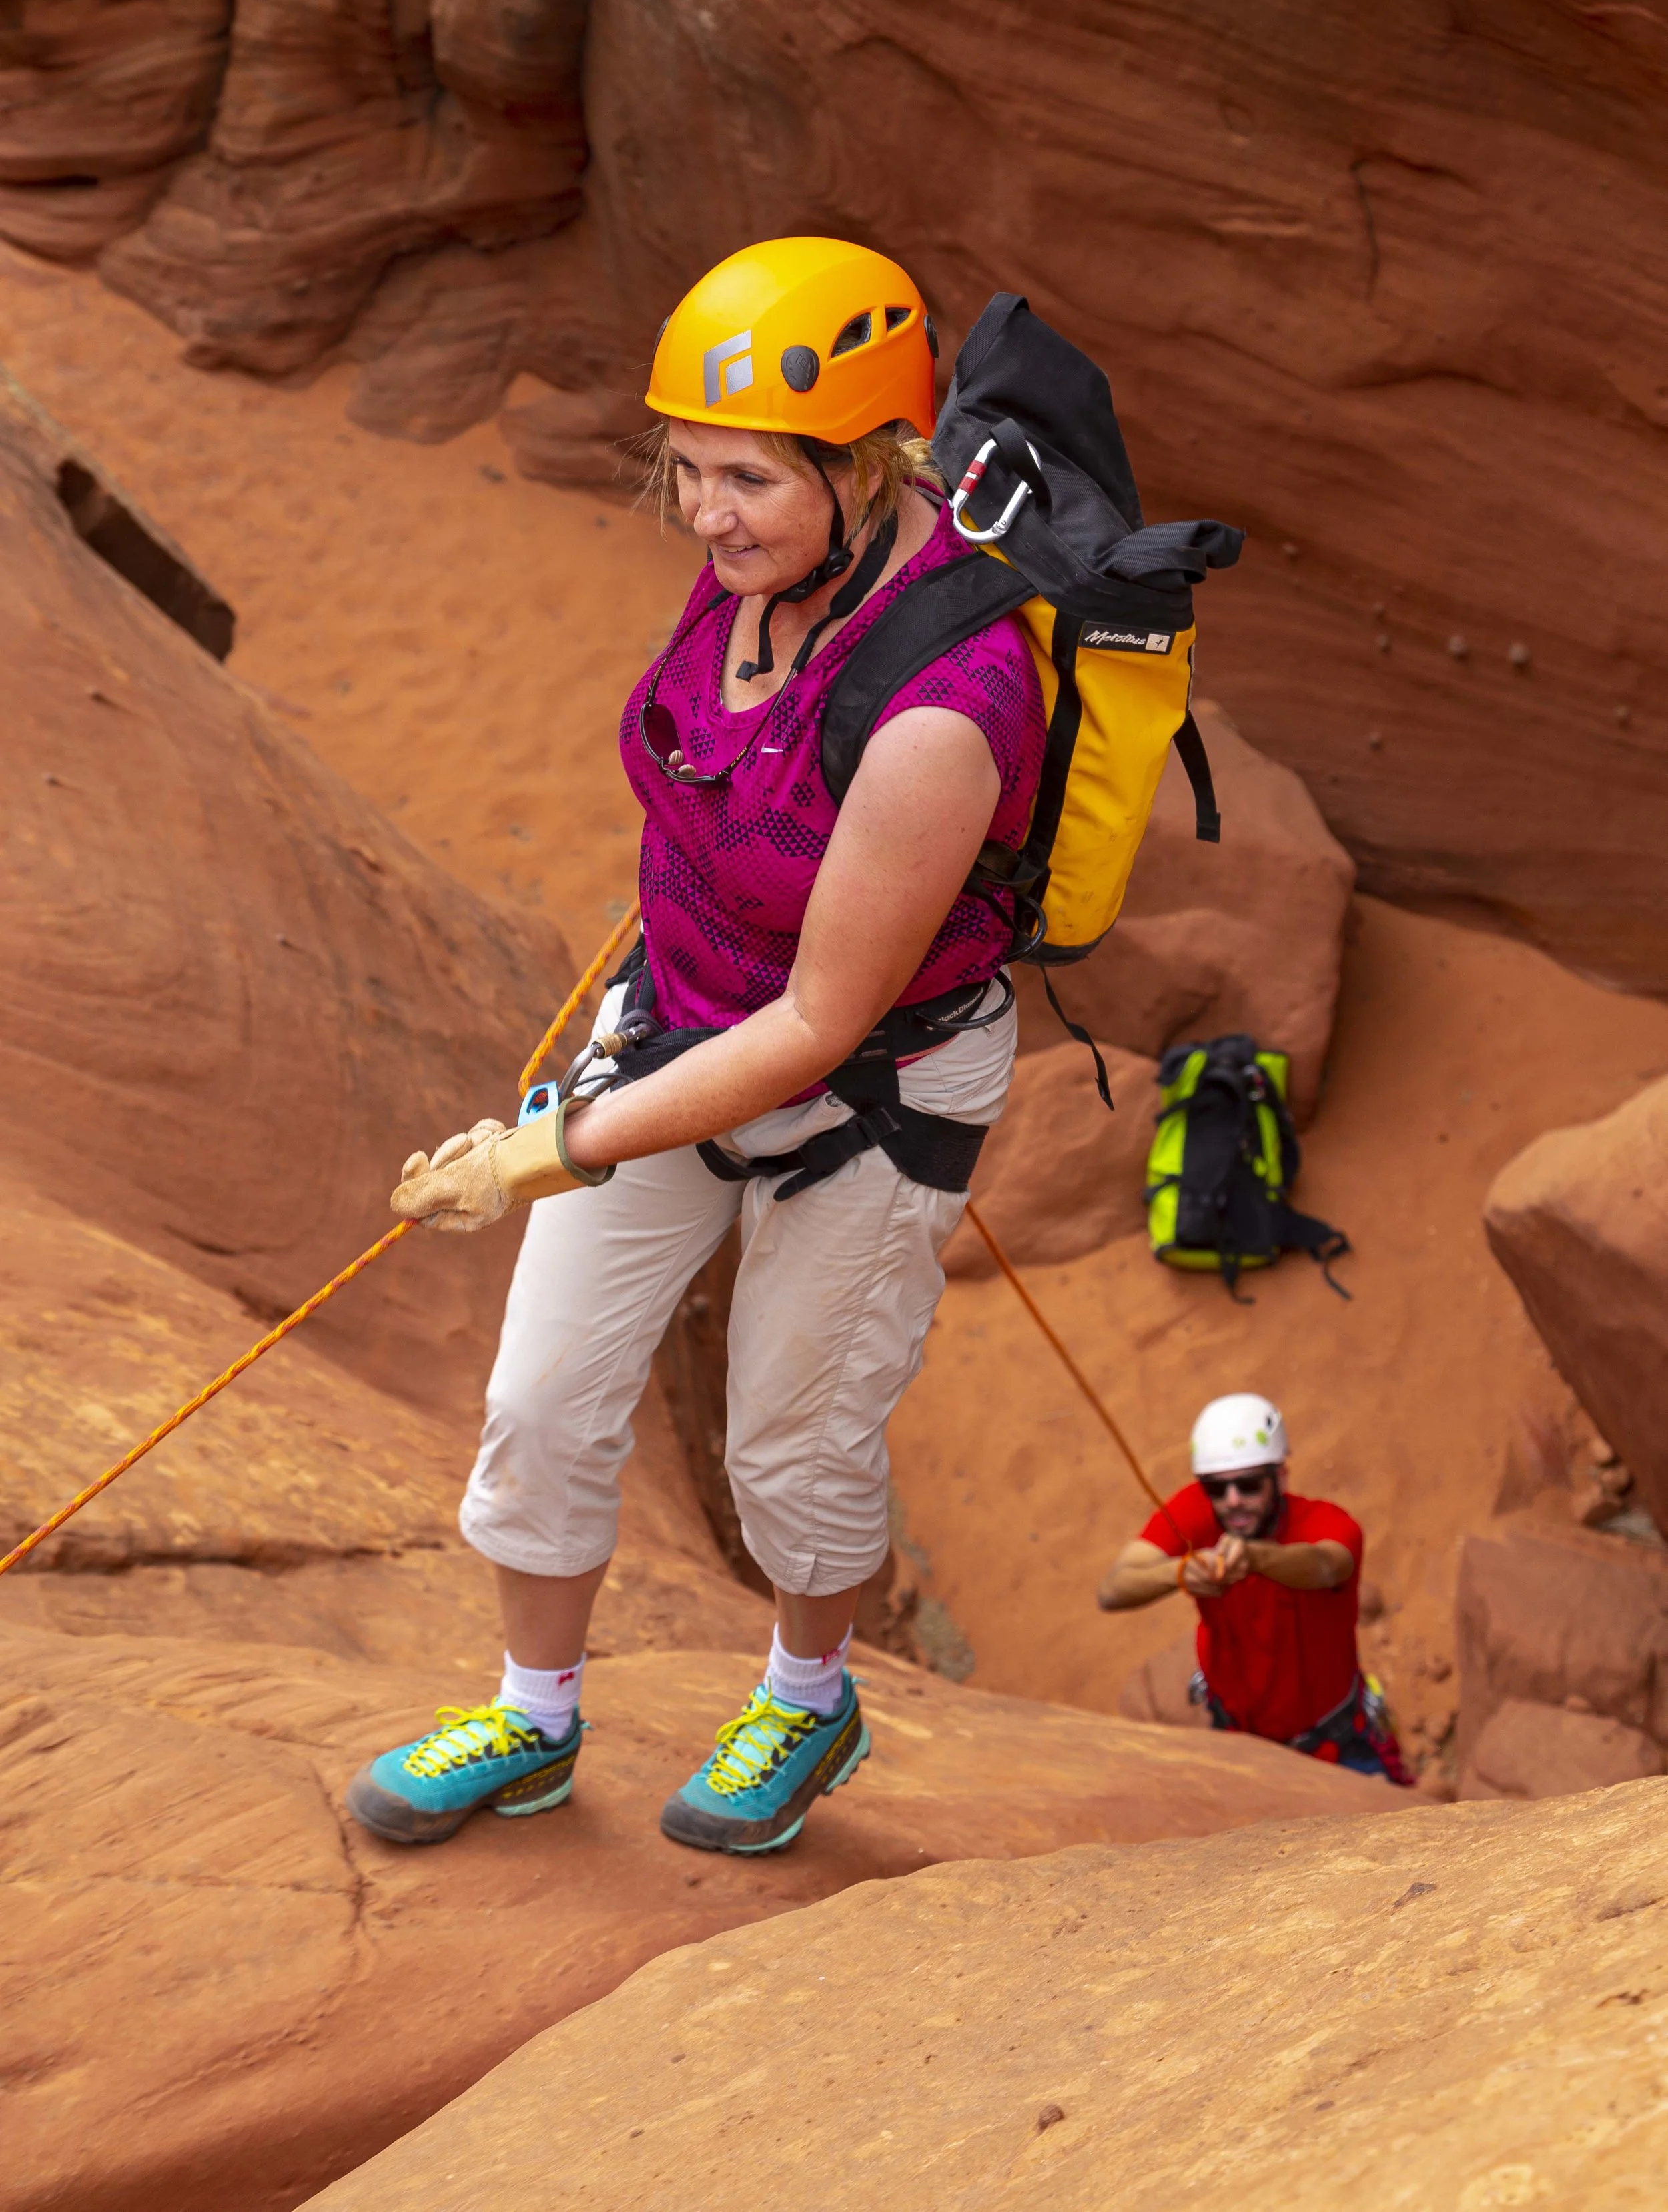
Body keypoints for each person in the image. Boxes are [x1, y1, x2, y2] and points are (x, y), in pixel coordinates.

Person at [346, 237, 1047, 1854]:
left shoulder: (946, 704)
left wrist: (553, 1146)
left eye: (747, 478)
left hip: (865, 1084)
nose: (705, 515)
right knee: (541, 1399)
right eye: (683, 470)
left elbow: (819, 1021)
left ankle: (806, 1697)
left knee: (791, 1444)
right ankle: (533, 1720)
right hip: (678, 1018)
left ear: (866, 463)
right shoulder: (762, 577)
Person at [1096, 1392, 1413, 1782]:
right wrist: (1178, 1573)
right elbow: (1112, 1590)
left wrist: (1258, 1559)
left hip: (1335, 1744)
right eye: (1216, 1488)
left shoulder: (1327, 1523)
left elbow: (1326, 1565)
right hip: (1238, 1741)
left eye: (1249, 1485)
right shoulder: (1197, 1510)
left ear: (1280, 1477)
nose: (1233, 1501)